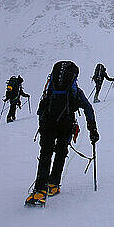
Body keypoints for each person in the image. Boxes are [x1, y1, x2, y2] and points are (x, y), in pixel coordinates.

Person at [25, 61, 99, 207]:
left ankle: (39, 190)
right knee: (60, 153)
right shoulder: (75, 92)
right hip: (66, 125)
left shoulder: (50, 89)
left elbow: (41, 109)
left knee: (45, 154)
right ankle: (53, 184)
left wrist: (43, 125)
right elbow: (88, 109)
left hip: (48, 124)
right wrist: (93, 130)